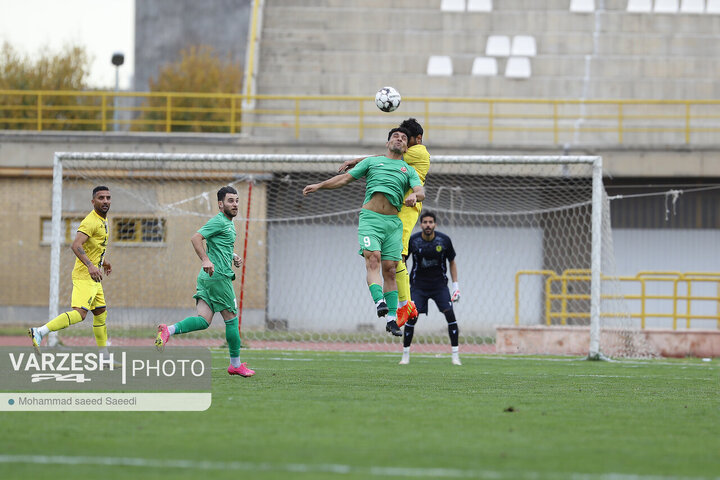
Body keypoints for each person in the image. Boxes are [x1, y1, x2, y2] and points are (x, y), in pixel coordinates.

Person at [305, 127, 425, 336]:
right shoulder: (371, 162)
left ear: (406, 147)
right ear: (388, 143)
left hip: (393, 223)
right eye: (395, 136)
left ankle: (391, 320)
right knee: (373, 260)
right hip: (371, 219)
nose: (400, 139)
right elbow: (344, 179)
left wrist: (416, 196)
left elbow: (420, 190)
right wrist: (320, 185)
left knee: (390, 268)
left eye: (404, 138)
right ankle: (379, 301)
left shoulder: (409, 170)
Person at [154, 186, 255, 377]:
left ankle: (168, 330)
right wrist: (206, 260)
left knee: (203, 320)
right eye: (230, 201)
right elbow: (196, 238)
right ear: (220, 204)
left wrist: (233, 256)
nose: (234, 204)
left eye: (236, 201)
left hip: (208, 277)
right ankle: (235, 364)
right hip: (219, 277)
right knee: (232, 320)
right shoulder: (219, 221)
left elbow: (218, 245)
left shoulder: (228, 223)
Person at [339, 118, 430, 328]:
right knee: (392, 259)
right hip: (398, 206)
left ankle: (405, 304)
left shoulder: (419, 151)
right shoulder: (407, 152)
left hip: (407, 208)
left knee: (399, 257)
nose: (401, 142)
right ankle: (401, 304)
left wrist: (357, 160)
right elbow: (386, 157)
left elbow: (385, 156)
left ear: (417, 139)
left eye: (406, 139)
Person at [29, 186, 113, 357]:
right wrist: (90, 266)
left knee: (100, 314)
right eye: (101, 198)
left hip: (94, 277)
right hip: (85, 275)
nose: (105, 201)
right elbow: (76, 245)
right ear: (93, 201)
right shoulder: (90, 221)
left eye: (108, 198)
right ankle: (40, 331)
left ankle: (104, 358)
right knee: (80, 314)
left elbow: (93, 248)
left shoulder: (103, 220)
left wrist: (103, 262)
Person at [401, 211, 461, 365]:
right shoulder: (413, 241)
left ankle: (455, 356)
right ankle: (405, 356)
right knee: (411, 317)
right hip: (418, 286)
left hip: (439, 286)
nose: (428, 225)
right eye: (425, 222)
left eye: (430, 222)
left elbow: (452, 262)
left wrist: (456, 286)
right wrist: (403, 282)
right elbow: (402, 260)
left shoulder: (444, 240)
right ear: (420, 224)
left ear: (435, 224)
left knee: (450, 316)